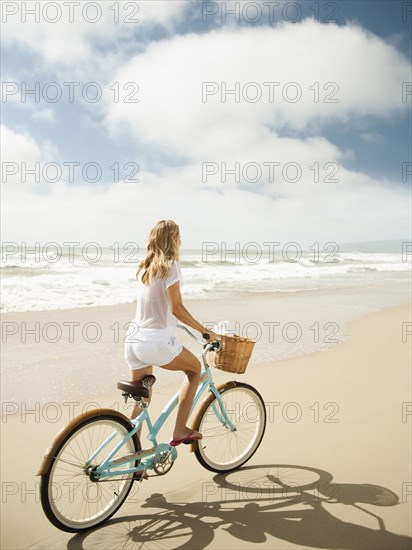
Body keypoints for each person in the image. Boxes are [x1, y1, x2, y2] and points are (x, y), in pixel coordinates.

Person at [124, 220, 219, 448]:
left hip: (133, 341)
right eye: (179, 237)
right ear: (173, 239)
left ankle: (131, 454)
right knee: (194, 370)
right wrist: (204, 331)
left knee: (141, 401)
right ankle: (180, 430)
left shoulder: (144, 268)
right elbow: (176, 307)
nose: (181, 241)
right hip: (156, 341)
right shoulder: (170, 265)